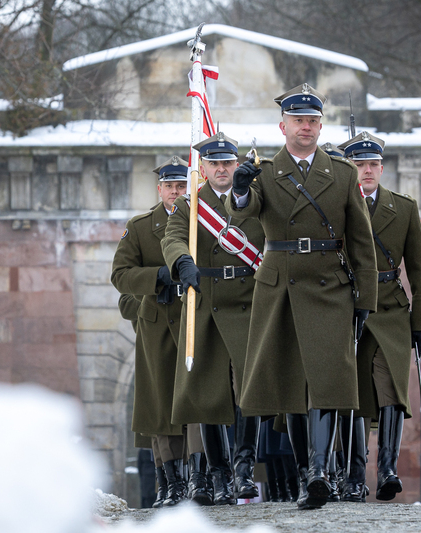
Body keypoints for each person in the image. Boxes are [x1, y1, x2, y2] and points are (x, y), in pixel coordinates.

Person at [224, 83, 378, 510]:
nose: (306, 128)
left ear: (319, 124)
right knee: (290, 381)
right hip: (281, 284)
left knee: (327, 380)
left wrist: (366, 299)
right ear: (283, 125)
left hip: (329, 284)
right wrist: (239, 188)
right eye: (298, 121)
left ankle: (318, 470)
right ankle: (307, 472)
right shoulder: (266, 171)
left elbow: (362, 242)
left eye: (312, 121)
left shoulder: (343, 173)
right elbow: (245, 210)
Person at [161, 133, 266, 506]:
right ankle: (219, 475)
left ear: (236, 164)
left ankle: (243, 469)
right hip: (206, 305)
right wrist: (181, 260)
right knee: (208, 393)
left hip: (247, 304)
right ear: (202, 168)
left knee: (248, 392)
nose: (222, 170)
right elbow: (172, 238)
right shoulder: (191, 206)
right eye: (214, 163)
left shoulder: (252, 197)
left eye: (228, 162)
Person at [336, 131, 421, 502]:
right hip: (351, 306)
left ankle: (388, 469)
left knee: (392, 389)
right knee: (355, 392)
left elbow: (420, 269)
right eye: (359, 164)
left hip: (391, 309)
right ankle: (355, 474)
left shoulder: (403, 208)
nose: (367, 171)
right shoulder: (337, 207)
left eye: (373, 164)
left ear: (382, 166)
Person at [110, 157, 190, 507]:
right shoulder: (141, 227)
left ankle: (197, 477)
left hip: (193, 319)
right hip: (157, 324)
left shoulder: (203, 223)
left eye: (182, 185)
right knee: (159, 407)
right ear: (159, 189)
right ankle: (170, 481)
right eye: (170, 186)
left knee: (197, 401)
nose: (176, 191)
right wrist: (157, 276)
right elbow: (121, 275)